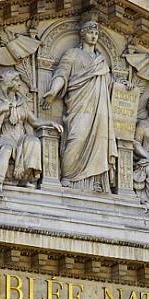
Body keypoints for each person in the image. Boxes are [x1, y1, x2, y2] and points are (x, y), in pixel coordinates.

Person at [41, 20, 116, 192]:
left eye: (96, 33)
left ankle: (94, 182)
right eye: (91, 32)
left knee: (100, 142)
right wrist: (53, 91)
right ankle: (69, 177)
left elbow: (109, 85)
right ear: (83, 34)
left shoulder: (101, 61)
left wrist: (125, 87)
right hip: (79, 105)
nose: (94, 36)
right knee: (77, 137)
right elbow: (61, 74)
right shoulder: (72, 54)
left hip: (100, 110)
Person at [0, 70, 61, 193]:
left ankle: (27, 179)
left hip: (21, 138)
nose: (19, 83)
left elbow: (35, 121)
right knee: (6, 150)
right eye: (15, 80)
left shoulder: (22, 103)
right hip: (5, 137)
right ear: (8, 83)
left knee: (34, 142)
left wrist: (50, 122)